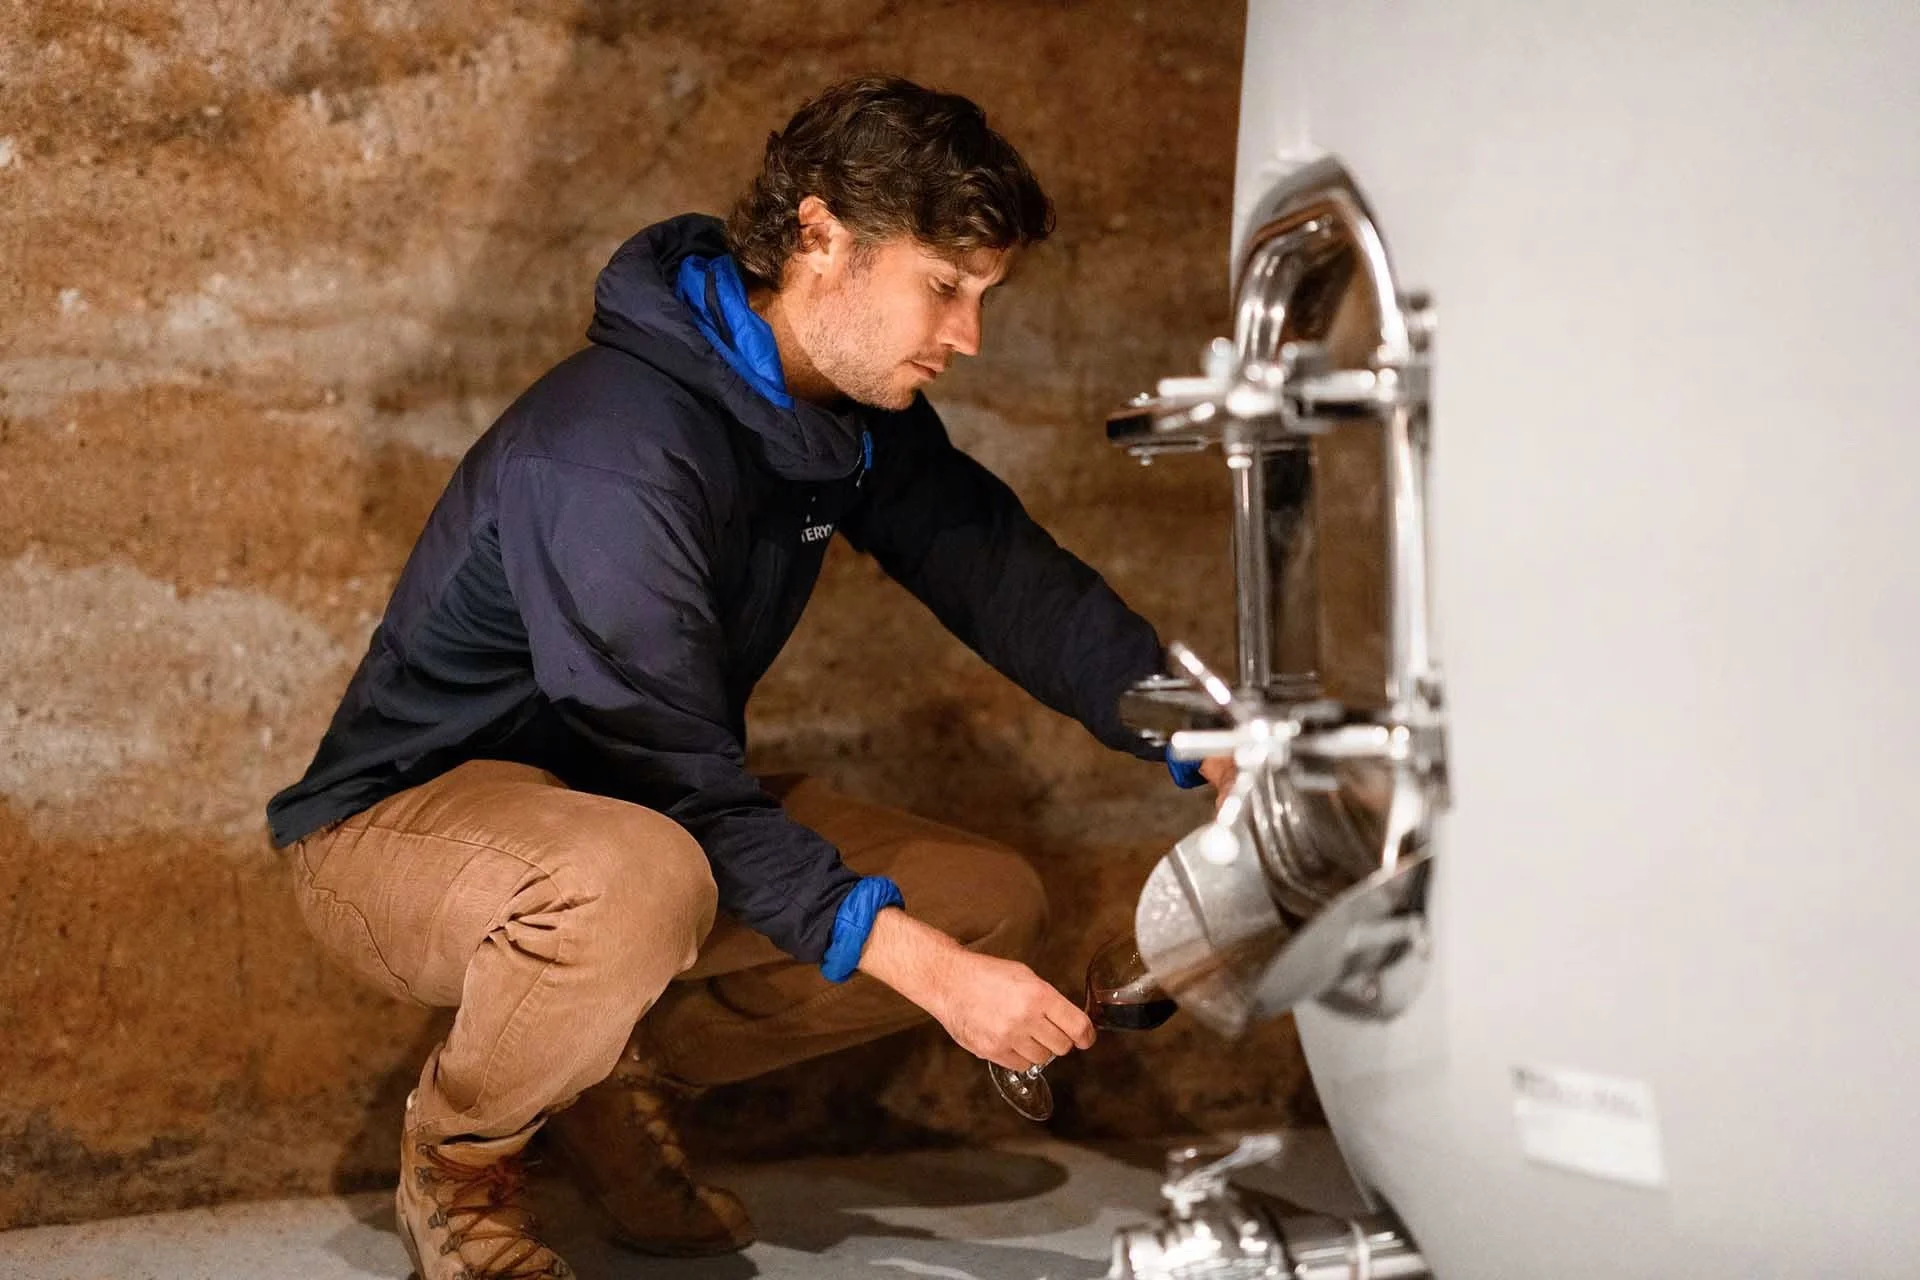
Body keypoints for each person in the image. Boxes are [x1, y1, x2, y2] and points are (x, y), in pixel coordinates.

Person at [266, 74, 1222, 1280]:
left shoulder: (845, 412)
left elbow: (1002, 575)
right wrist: (934, 979)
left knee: (984, 900)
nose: (969, 337)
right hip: (400, 829)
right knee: (646, 882)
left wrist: (1204, 732)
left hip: (626, 812)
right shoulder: (612, 448)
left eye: (986, 295)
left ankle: (603, 1077)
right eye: (944, 286)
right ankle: (457, 1163)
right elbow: (672, 780)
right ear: (822, 238)